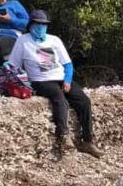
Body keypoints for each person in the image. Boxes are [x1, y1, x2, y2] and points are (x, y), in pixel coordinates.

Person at [7, 10, 102, 157]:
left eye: (43, 24)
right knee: (59, 99)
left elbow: (68, 64)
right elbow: (13, 65)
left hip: (60, 77)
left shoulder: (54, 40)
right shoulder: (23, 41)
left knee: (84, 101)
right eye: (38, 24)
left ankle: (88, 141)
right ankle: (63, 137)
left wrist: (67, 81)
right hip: (41, 80)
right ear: (31, 25)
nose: (41, 27)